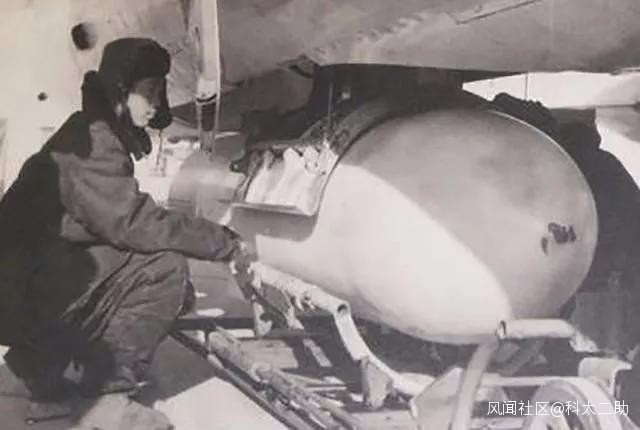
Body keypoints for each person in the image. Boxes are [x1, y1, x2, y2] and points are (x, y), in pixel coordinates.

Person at [0, 38, 245, 429]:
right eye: (149, 91)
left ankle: (38, 374)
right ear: (119, 90)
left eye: (160, 92)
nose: (156, 105)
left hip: (18, 291)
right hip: (20, 295)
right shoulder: (94, 141)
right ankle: (105, 399)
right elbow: (135, 223)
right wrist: (223, 242)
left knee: (115, 265)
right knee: (164, 270)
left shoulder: (88, 131)